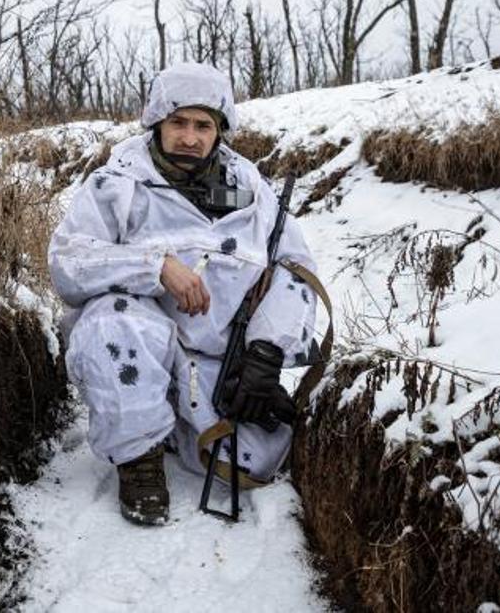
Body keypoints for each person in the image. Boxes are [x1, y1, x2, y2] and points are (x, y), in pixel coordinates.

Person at [48, 61, 319, 526]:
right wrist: (155, 267)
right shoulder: (116, 184)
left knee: (257, 459)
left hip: (217, 360)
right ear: (156, 122)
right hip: (136, 345)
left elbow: (296, 270)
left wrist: (266, 352)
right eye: (178, 122)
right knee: (114, 317)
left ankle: (171, 425)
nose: (190, 137)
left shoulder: (254, 189)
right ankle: (139, 458)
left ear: (219, 130)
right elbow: (69, 262)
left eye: (203, 125)